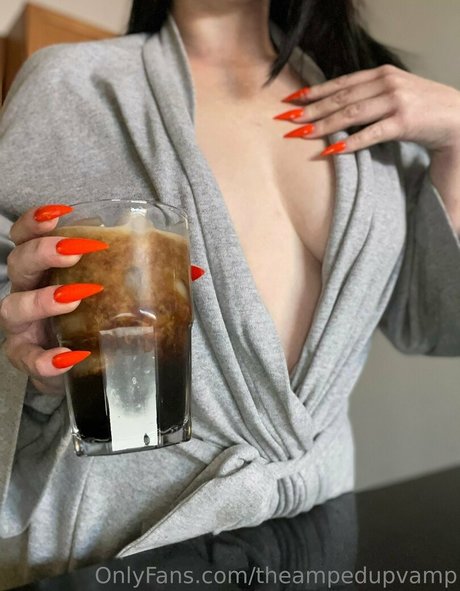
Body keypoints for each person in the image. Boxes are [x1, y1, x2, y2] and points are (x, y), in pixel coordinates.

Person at [1, 0, 460, 587]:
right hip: (127, 545)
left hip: (319, 533)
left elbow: (436, 324)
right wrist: (30, 353)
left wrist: (456, 143)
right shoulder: (73, 85)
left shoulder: (368, 110)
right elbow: (14, 323)